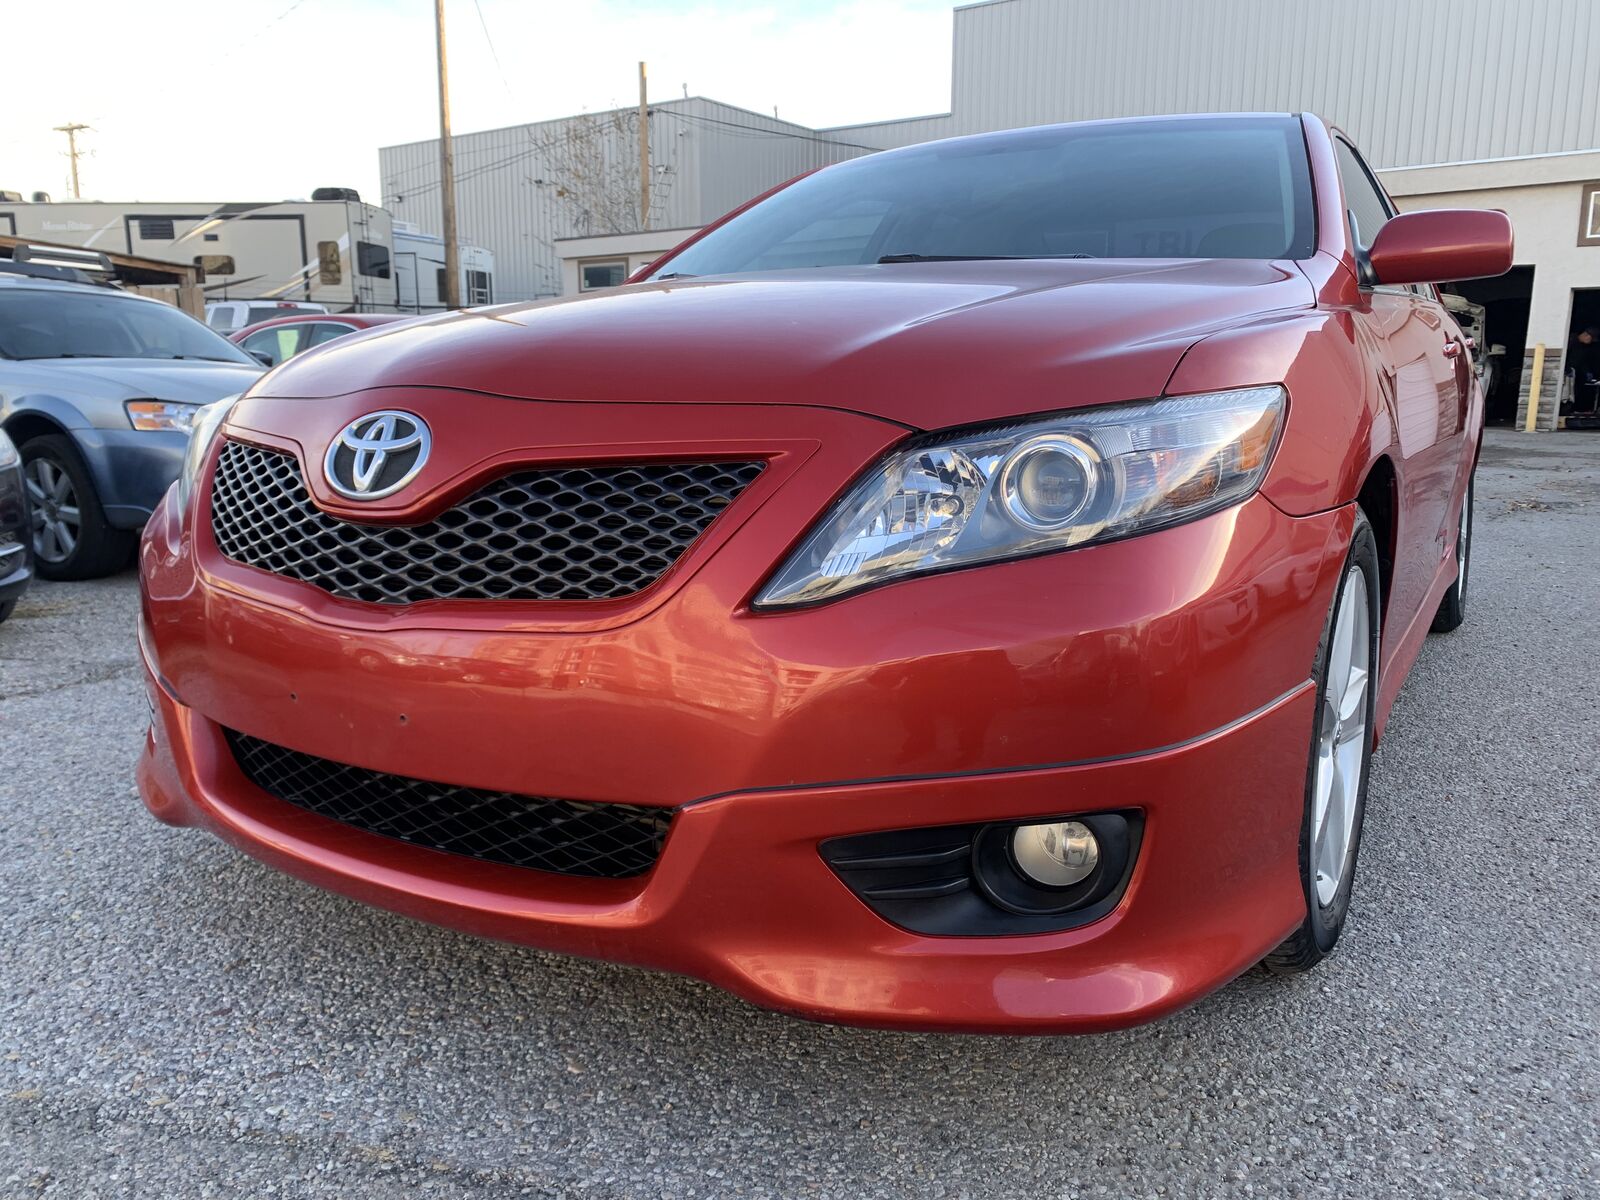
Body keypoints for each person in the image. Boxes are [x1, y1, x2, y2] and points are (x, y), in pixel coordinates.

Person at [1571, 326, 1599, 415]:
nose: (1590, 342)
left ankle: (1580, 409)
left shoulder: (1583, 347)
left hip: (1578, 373)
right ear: (1586, 335)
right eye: (1591, 339)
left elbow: (1582, 362)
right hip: (1569, 372)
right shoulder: (1571, 341)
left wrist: (1587, 372)